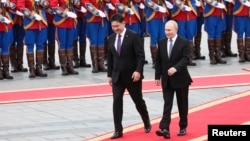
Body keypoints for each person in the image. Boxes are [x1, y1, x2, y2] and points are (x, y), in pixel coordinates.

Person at [107, 13, 151, 139]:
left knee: (138, 101)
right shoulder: (110, 38)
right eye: (113, 26)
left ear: (123, 23)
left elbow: (140, 56)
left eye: (117, 26)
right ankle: (118, 130)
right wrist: (109, 75)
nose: (115, 29)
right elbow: (110, 58)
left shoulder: (133, 36)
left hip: (132, 76)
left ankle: (146, 120)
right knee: (116, 102)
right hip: (117, 77)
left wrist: (138, 71)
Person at [155, 20, 192, 139]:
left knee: (182, 104)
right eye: (165, 30)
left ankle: (183, 126)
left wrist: (176, 68)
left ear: (176, 30)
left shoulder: (184, 42)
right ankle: (165, 128)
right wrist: (157, 76)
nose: (167, 32)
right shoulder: (161, 42)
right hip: (166, 79)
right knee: (167, 104)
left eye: (169, 30)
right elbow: (158, 61)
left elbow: (186, 59)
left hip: (181, 79)